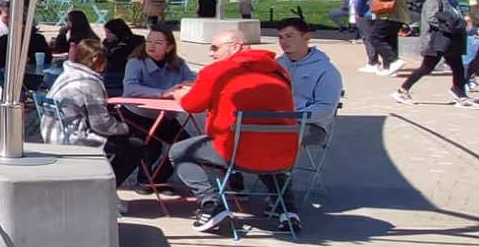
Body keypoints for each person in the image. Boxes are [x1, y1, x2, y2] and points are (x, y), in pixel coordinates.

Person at [167, 30, 301, 234]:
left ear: (235, 46)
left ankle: (211, 205)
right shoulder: (279, 71)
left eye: (215, 48)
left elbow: (193, 105)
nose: (211, 54)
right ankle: (287, 209)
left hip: (236, 151)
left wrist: (179, 95)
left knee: (179, 151)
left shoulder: (217, 71)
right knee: (268, 147)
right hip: (283, 154)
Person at [43, 39, 145, 186]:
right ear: (97, 60)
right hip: (74, 139)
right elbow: (100, 125)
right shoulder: (89, 82)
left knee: (124, 139)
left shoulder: (66, 75)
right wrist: (126, 128)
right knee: (135, 146)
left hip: (52, 133)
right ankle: (105, 190)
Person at [121, 26, 193, 182]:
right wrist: (162, 93)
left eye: (158, 42)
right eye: (148, 41)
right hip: (137, 114)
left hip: (165, 115)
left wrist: (187, 86)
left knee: (186, 145)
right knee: (151, 145)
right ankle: (144, 178)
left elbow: (194, 81)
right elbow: (130, 88)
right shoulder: (136, 62)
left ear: (169, 46)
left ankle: (159, 180)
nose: (151, 46)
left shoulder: (179, 63)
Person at [392, 0, 477, 109]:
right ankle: (402, 90)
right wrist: (451, 27)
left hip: (448, 40)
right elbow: (432, 18)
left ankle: (460, 94)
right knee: (426, 67)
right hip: (436, 40)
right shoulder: (434, 0)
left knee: (457, 67)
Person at [273, 17, 345, 155]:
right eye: (281, 37)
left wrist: (289, 116)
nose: (284, 42)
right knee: (238, 130)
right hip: (275, 121)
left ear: (307, 37)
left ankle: (276, 173)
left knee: (274, 136)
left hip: (311, 125)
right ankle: (234, 172)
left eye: (290, 36)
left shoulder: (326, 70)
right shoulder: (275, 65)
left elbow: (325, 109)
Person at [366, 0, 408, 75]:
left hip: (387, 15)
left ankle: (393, 61)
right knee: (390, 40)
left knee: (375, 38)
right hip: (398, 16)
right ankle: (389, 68)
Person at [348, 0, 381, 71]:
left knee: (368, 38)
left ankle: (373, 62)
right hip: (380, 12)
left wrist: (357, 11)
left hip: (365, 12)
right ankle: (385, 62)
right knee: (378, 37)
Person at [100, 17, 141, 97]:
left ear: (117, 32)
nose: (106, 35)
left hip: (122, 74)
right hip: (108, 73)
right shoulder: (107, 43)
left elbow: (118, 60)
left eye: (109, 33)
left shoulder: (132, 44)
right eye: (106, 32)